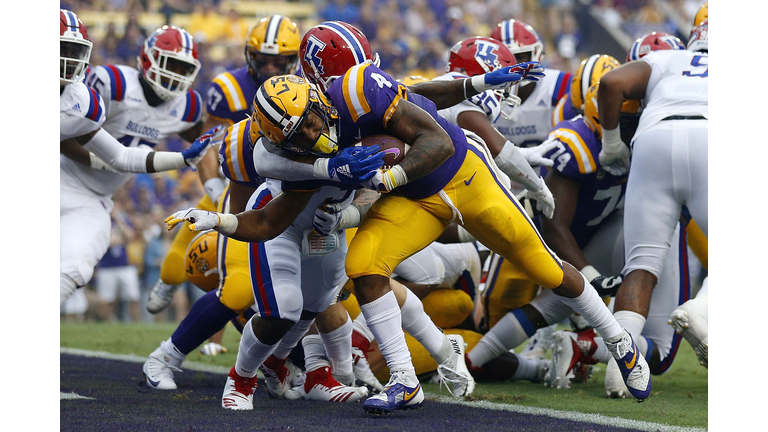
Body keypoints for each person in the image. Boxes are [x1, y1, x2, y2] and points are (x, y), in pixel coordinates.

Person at [167, 26, 651, 416]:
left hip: (460, 177)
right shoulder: (280, 134)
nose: (309, 129)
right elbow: (265, 177)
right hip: (411, 198)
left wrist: (379, 180)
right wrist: (224, 206)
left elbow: (433, 135)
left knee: (544, 267)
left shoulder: (354, 90)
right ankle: (403, 381)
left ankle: (619, 340)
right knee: (364, 264)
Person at [146, 15, 303, 315]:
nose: (269, 68)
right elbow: (210, 142)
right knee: (187, 238)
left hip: (282, 187)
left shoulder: (303, 88)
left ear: (293, 60)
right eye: (262, 59)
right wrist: (214, 186)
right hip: (237, 182)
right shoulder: (229, 87)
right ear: (249, 55)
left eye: (278, 61)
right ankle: (169, 282)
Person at [59, 12, 213, 306]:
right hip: (61, 174)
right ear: (148, 59)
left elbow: (207, 143)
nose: (175, 74)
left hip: (96, 195)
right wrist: (100, 162)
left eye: (183, 68)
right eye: (171, 64)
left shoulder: (187, 106)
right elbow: (68, 141)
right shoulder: (112, 83)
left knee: (75, 267)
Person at [596, 19, 708, 388]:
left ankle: (619, 373)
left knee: (641, 267)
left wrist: (612, 143)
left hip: (654, 139)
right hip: (712, 136)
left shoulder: (671, 59)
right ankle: (702, 309)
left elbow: (612, 83)